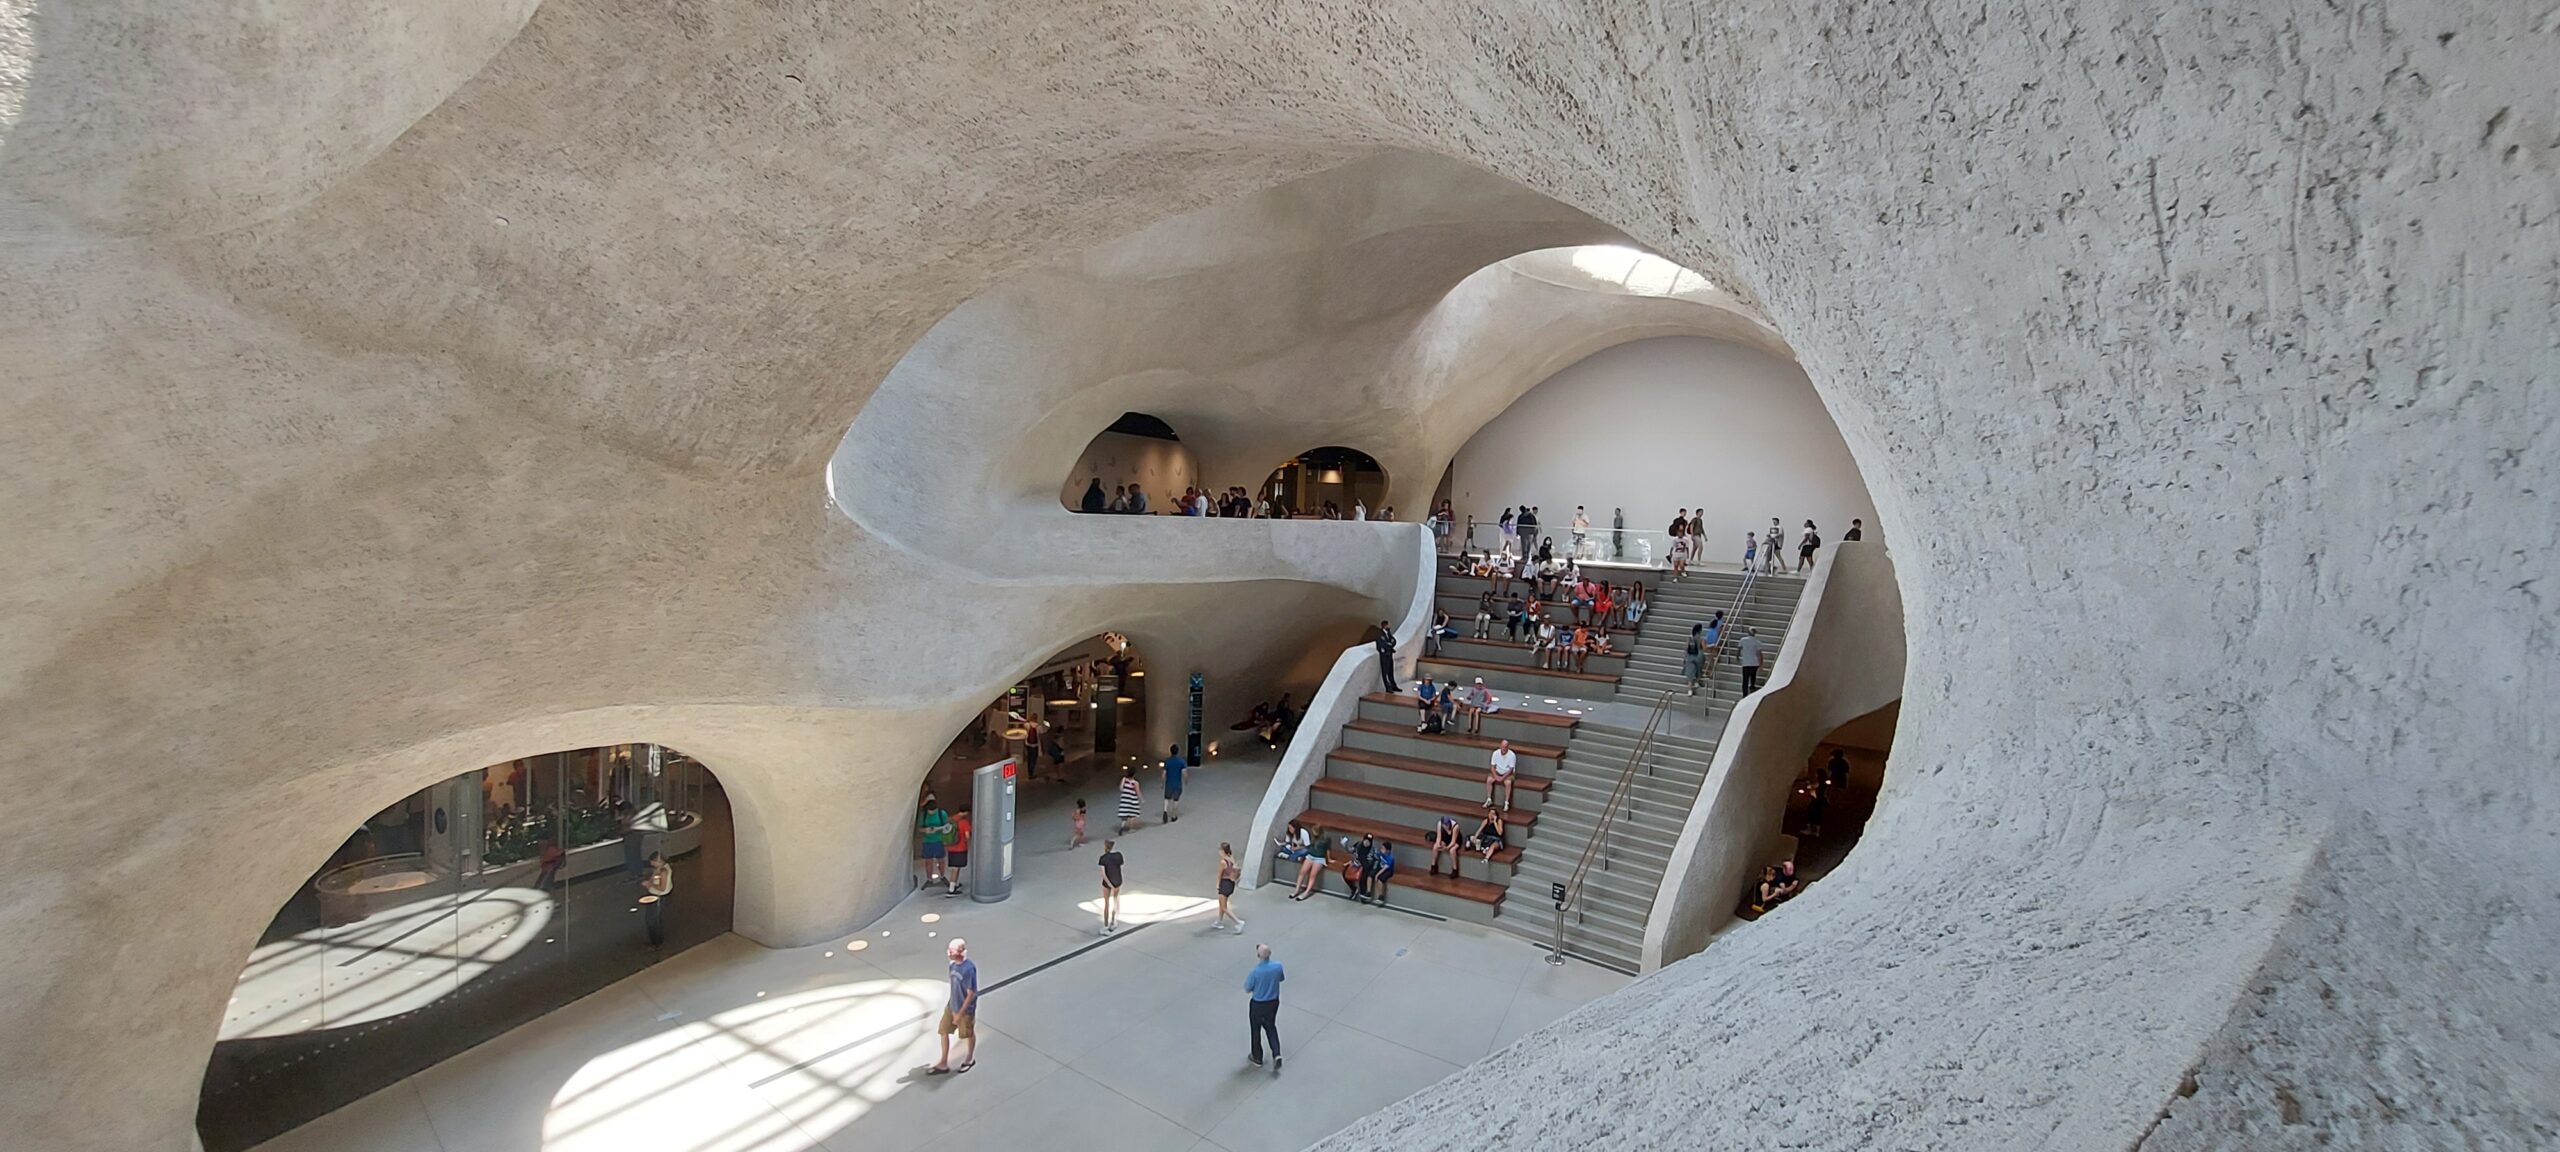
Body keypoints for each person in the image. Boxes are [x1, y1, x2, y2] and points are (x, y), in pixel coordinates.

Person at [929, 938, 979, 1074]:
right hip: (952, 1006)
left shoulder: (969, 969)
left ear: (960, 952)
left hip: (965, 1010)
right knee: (943, 1031)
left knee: (968, 1033)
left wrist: (960, 1013)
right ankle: (943, 1062)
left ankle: (969, 1058)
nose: (948, 953)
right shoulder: (952, 966)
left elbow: (970, 993)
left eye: (951, 951)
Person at [1244, 943, 1285, 1069]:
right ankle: (1276, 1053)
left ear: (1258, 955)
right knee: (1271, 1026)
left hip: (1258, 1004)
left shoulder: (1255, 972)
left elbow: (1247, 988)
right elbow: (1281, 979)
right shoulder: (1277, 966)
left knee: (1255, 1030)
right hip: (1273, 1002)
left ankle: (1257, 1057)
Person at [917, 794, 952, 889]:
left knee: (941, 860)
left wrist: (940, 829)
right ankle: (929, 879)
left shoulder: (942, 814)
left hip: (939, 840)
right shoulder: (923, 815)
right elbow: (919, 828)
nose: (932, 813)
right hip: (927, 841)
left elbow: (948, 826)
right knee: (928, 861)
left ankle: (942, 876)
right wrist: (926, 830)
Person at [640, 851, 673, 947]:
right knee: (652, 919)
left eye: (653, 862)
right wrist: (649, 882)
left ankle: (657, 942)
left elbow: (662, 888)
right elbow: (653, 878)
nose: (651, 864)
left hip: (659, 897)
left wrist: (650, 884)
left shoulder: (664, 872)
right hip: (654, 894)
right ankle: (654, 940)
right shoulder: (659, 868)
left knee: (653, 920)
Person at [1096, 840, 1126, 934]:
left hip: (1107, 883)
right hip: (1117, 880)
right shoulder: (1118, 855)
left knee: (1107, 903)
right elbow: (1120, 867)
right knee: (1115, 900)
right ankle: (1113, 921)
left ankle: (1105, 926)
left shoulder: (1103, 858)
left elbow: (1103, 874)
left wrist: (1109, 884)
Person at [944, 809, 971, 895]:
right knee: (955, 869)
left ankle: (954, 884)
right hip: (960, 848)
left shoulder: (951, 819)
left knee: (956, 867)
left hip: (951, 847)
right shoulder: (964, 822)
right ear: (966, 812)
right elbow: (967, 836)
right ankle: (951, 890)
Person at [1487, 740, 1518, 811]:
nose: (1504, 749)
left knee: (1508, 783)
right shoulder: (1495, 753)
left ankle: (1506, 803)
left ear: (1508, 747)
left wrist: (1502, 778)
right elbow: (1492, 767)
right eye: (1503, 747)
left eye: (1506, 747)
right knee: (1489, 779)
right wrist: (1496, 776)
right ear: (1500, 746)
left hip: (1508, 774)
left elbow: (1511, 769)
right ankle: (1489, 799)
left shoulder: (1512, 755)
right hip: (1497, 772)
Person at [1160, 744, 1187, 823]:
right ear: (1178, 751)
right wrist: (1186, 780)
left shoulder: (1167, 761)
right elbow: (1184, 773)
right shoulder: (1181, 761)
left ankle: (1165, 810)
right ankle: (1173, 816)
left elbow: (1163, 774)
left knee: (1167, 798)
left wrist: (1162, 783)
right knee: (1176, 800)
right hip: (1177, 784)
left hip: (1169, 783)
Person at [1366, 839, 1397, 906]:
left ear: (1388, 850)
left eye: (1383, 848)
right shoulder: (1380, 853)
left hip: (1388, 870)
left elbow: (1385, 868)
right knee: (1370, 875)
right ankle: (1368, 893)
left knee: (1380, 879)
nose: (1381, 849)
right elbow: (1374, 854)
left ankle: (1381, 897)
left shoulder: (1390, 858)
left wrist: (1377, 875)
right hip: (1380, 867)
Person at [1373, 620, 1401, 692]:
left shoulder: (1388, 633)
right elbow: (1382, 644)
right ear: (1385, 625)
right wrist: (1388, 644)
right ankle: (1387, 687)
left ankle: (1393, 685)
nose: (1390, 626)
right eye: (1388, 625)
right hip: (1384, 655)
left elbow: (1393, 640)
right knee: (1385, 671)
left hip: (1389, 653)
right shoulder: (1379, 634)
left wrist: (1390, 644)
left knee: (1390, 671)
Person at [1116, 766, 1144, 834]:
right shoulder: (1135, 783)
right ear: (1134, 774)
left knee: (1125, 815)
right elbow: (1138, 791)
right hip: (1132, 800)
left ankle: (1122, 826)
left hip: (1124, 799)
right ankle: (1131, 828)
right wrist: (1142, 799)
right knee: (1132, 814)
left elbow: (1121, 788)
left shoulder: (1124, 779)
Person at [1683, 623, 1708, 694]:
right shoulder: (1701, 638)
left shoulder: (1689, 638)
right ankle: (1697, 682)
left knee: (1690, 673)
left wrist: (1685, 658)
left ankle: (1690, 690)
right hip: (1698, 656)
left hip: (1690, 656)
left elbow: (1686, 648)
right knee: (1699, 670)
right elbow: (1704, 648)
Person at [1738, 628, 1765, 694]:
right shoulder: (1757, 642)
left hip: (1746, 663)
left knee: (1745, 679)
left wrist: (1737, 656)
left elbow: (1739, 649)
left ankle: (1745, 693)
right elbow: (1760, 654)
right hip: (1755, 662)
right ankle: (1752, 686)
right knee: (1753, 675)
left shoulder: (1743, 640)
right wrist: (1761, 664)